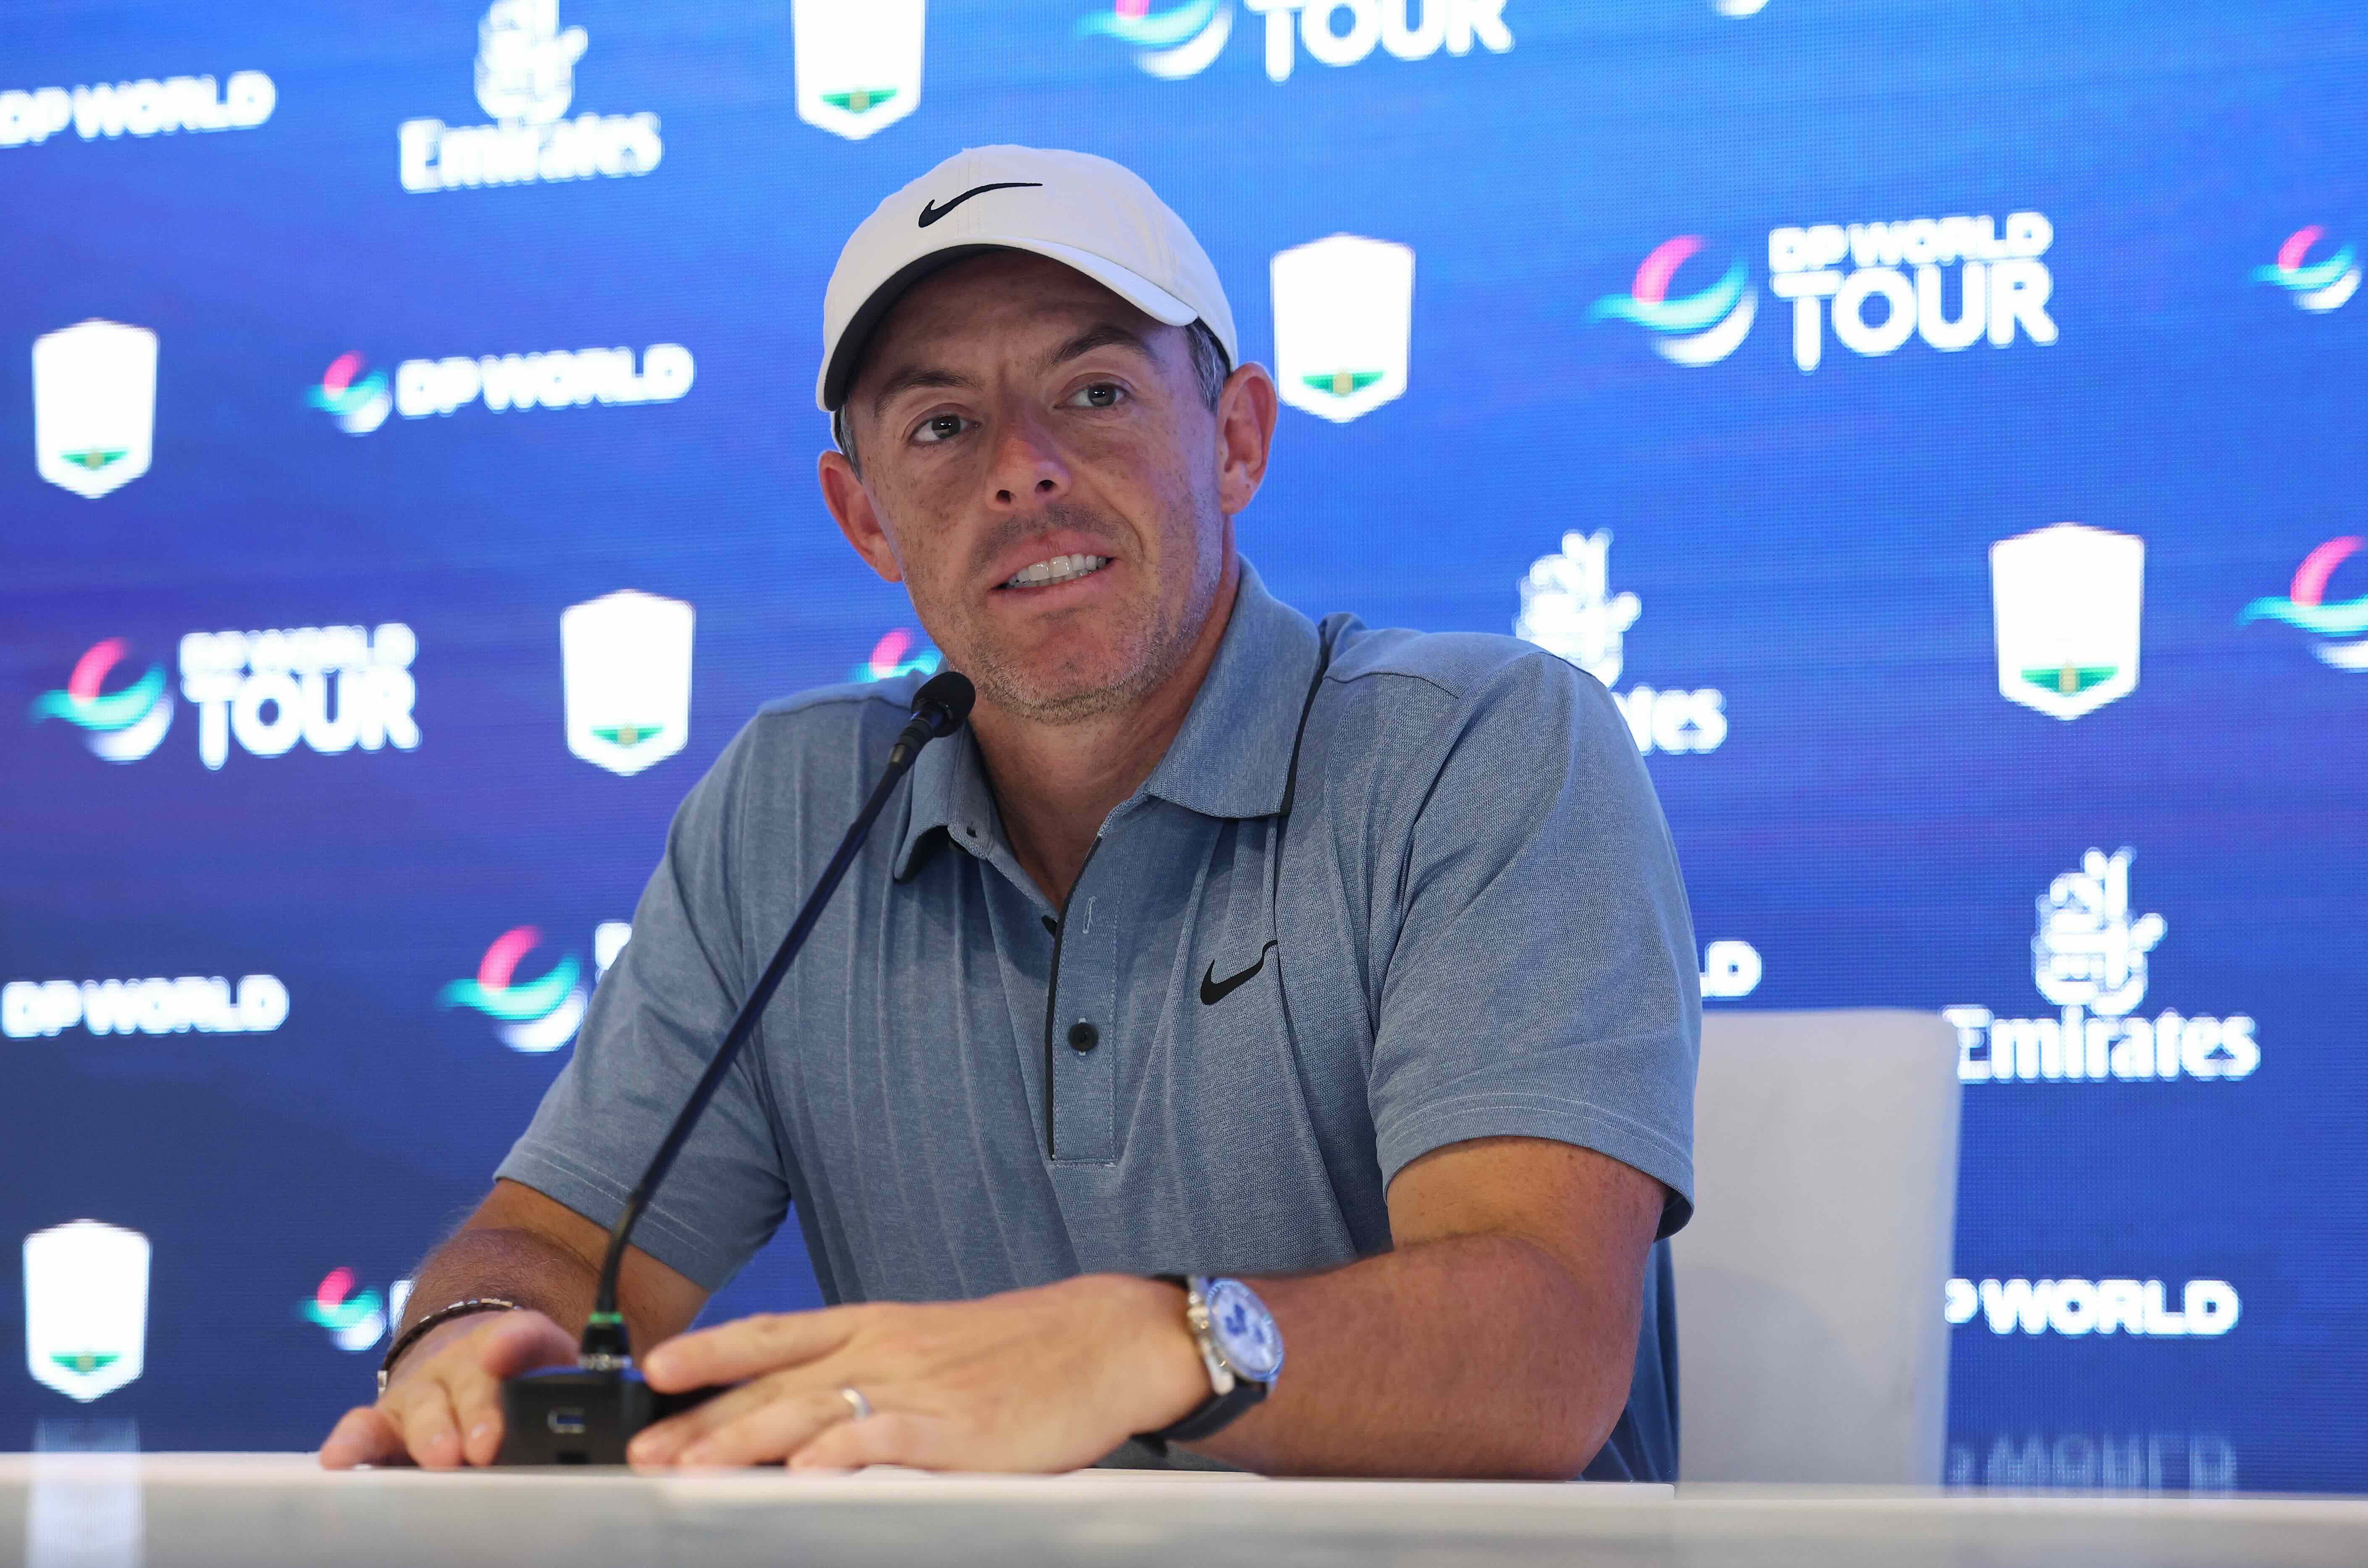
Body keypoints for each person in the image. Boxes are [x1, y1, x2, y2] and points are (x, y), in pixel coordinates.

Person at [320, 145, 1700, 1480]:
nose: (1022, 469)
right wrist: (472, 1334)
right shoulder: (792, 809)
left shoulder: (1477, 744)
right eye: (941, 426)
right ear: (866, 520)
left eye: (1094, 393)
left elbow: (1541, 1358)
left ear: (1237, 439)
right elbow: (554, 1243)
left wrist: (1146, 1344)